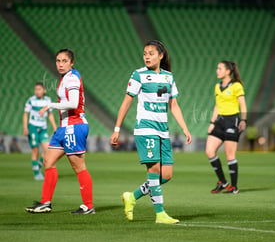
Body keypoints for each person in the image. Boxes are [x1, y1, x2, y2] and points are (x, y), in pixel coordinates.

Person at [110, 40, 191, 224]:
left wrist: (185, 128)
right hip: (146, 128)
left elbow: (174, 105)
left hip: (163, 131)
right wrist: (117, 129)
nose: (146, 56)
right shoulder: (138, 75)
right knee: (154, 171)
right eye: (145, 53)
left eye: (151, 53)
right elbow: (126, 102)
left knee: (167, 175)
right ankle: (160, 214)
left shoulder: (168, 77)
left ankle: (132, 196)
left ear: (161, 56)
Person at [26, 48, 94, 215]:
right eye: (58, 61)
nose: (61, 64)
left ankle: (88, 206)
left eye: (64, 61)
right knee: (48, 161)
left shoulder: (72, 79)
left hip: (74, 125)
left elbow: (72, 103)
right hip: (64, 127)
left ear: (71, 63)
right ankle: (45, 203)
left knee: (78, 167)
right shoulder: (66, 78)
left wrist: (50, 105)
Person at [206, 61, 247, 194]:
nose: (217, 71)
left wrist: (244, 120)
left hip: (232, 121)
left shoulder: (236, 86)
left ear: (228, 71)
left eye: (220, 68)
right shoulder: (217, 86)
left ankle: (234, 187)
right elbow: (217, 106)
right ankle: (223, 182)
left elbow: (243, 105)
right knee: (209, 151)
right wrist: (212, 123)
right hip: (220, 121)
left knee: (230, 155)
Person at [23, 82, 57, 180]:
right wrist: (25, 128)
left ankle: (38, 165)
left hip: (43, 128)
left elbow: (50, 114)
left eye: (39, 89)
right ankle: (37, 174)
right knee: (35, 150)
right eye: (36, 89)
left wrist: (54, 126)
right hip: (33, 127)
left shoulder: (48, 100)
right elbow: (25, 114)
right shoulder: (31, 101)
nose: (37, 91)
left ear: (44, 90)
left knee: (47, 150)